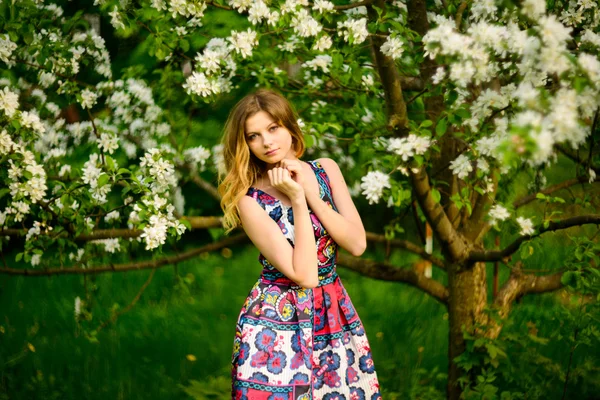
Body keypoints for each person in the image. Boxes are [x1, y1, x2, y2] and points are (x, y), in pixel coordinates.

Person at [218, 89, 381, 399]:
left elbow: (357, 244)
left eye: (273, 128)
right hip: (276, 322)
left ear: (290, 127)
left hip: (332, 312)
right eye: (254, 135)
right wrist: (295, 199)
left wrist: (312, 195)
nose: (266, 142)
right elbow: (304, 275)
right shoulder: (250, 201)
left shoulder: (325, 170)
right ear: (245, 144)